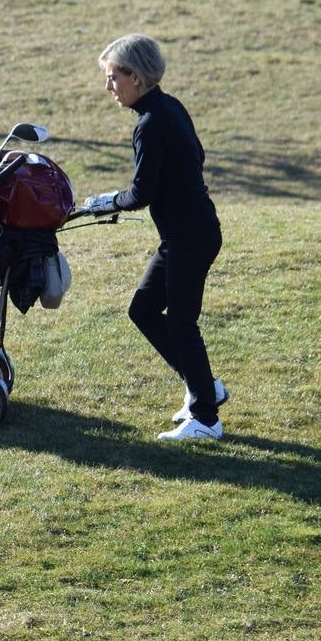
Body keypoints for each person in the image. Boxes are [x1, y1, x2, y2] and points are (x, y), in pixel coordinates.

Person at [82, 34, 229, 440]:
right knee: (143, 311)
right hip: (190, 232)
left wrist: (106, 201)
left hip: (190, 237)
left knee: (182, 324)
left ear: (136, 77)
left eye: (113, 78)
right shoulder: (170, 107)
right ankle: (206, 390)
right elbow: (195, 158)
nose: (109, 87)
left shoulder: (150, 124)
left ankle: (206, 420)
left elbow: (141, 194)